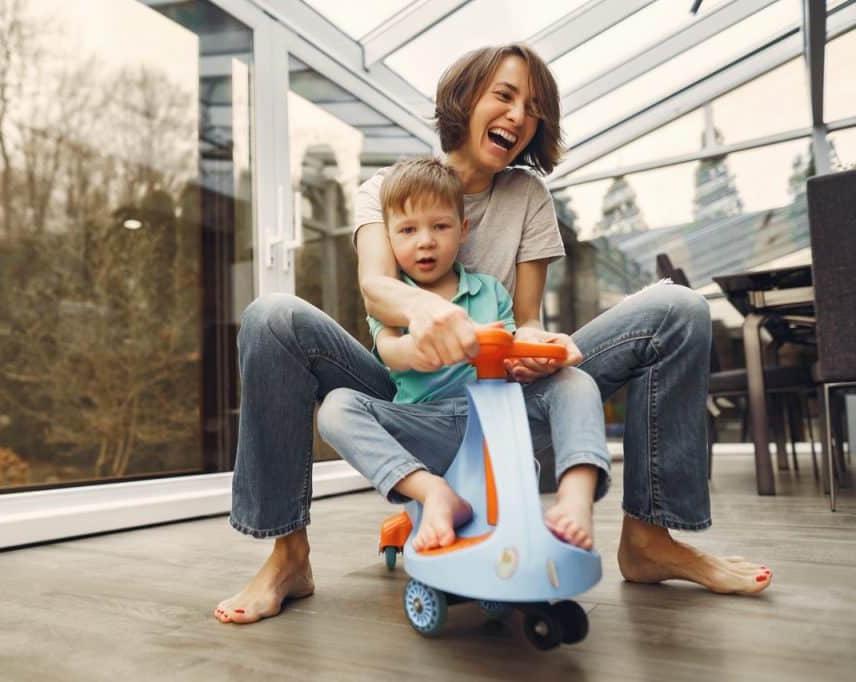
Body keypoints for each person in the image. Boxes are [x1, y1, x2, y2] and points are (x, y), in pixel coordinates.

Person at [215, 43, 771, 626]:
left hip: (500, 392)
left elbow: (525, 316)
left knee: (679, 307)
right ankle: (288, 557)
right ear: (465, 98)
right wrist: (424, 314)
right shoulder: (385, 189)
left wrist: (536, 351)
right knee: (271, 316)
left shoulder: (528, 195)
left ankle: (650, 541)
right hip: (404, 385)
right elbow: (377, 288)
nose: (517, 115)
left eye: (531, 107)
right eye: (503, 96)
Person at [317, 157, 610, 553]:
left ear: (462, 229)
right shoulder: (393, 301)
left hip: (495, 419)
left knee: (575, 382)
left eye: (440, 226)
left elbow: (511, 349)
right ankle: (432, 492)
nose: (425, 241)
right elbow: (389, 351)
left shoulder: (490, 292)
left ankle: (575, 496)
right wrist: (415, 349)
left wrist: (536, 356)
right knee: (336, 407)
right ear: (388, 237)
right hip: (424, 424)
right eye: (407, 230)